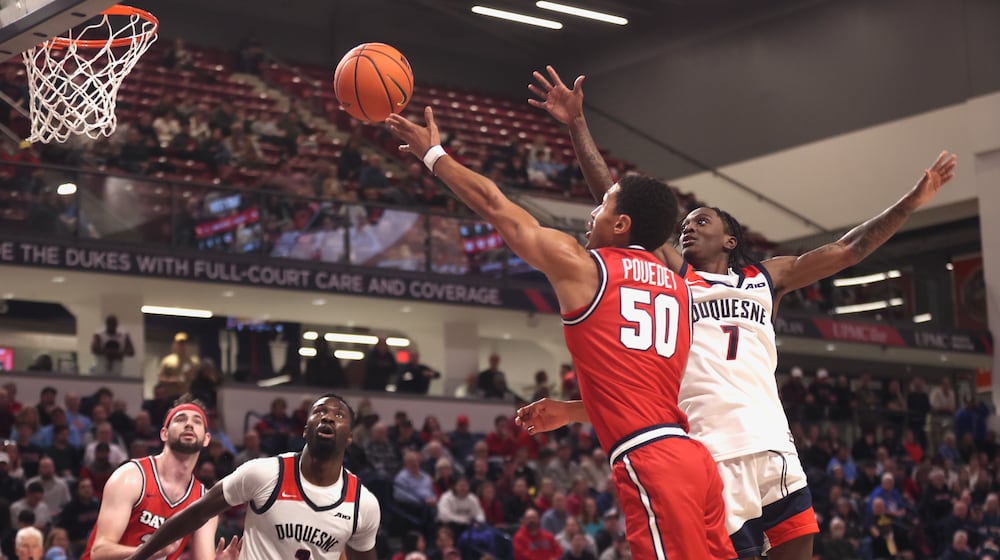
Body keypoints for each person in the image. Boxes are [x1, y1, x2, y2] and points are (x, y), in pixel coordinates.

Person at [521, 64, 957, 560]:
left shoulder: (767, 278)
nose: (687, 229)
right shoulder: (672, 277)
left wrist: (913, 202)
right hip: (710, 452)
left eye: (700, 221)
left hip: (774, 445)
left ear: (730, 238)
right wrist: (577, 124)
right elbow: (614, 198)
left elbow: (849, 249)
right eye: (682, 224)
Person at [387, 106, 733, 558]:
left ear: (622, 224)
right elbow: (639, 389)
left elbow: (500, 209)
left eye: (603, 205)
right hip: (692, 459)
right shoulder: (681, 288)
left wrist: (433, 154)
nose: (593, 212)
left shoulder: (587, 268)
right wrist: (572, 411)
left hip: (651, 459)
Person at [125, 393, 380, 560]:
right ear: (305, 429)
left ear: (350, 437)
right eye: (320, 411)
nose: (328, 417)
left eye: (338, 415)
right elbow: (196, 513)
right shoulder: (264, 473)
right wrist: (137, 558)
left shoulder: (362, 504)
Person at [80, 396, 235, 560]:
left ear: (206, 439)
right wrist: (151, 550)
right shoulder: (131, 476)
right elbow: (100, 552)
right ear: (164, 434)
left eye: (197, 422)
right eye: (180, 419)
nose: (189, 424)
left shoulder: (204, 501)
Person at [158, 333, 200, 398]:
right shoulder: (168, 360)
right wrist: (175, 380)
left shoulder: (193, 361)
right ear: (175, 344)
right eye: (179, 343)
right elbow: (161, 378)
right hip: (171, 396)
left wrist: (190, 377)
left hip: (187, 395)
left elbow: (198, 378)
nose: (182, 346)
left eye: (184, 343)